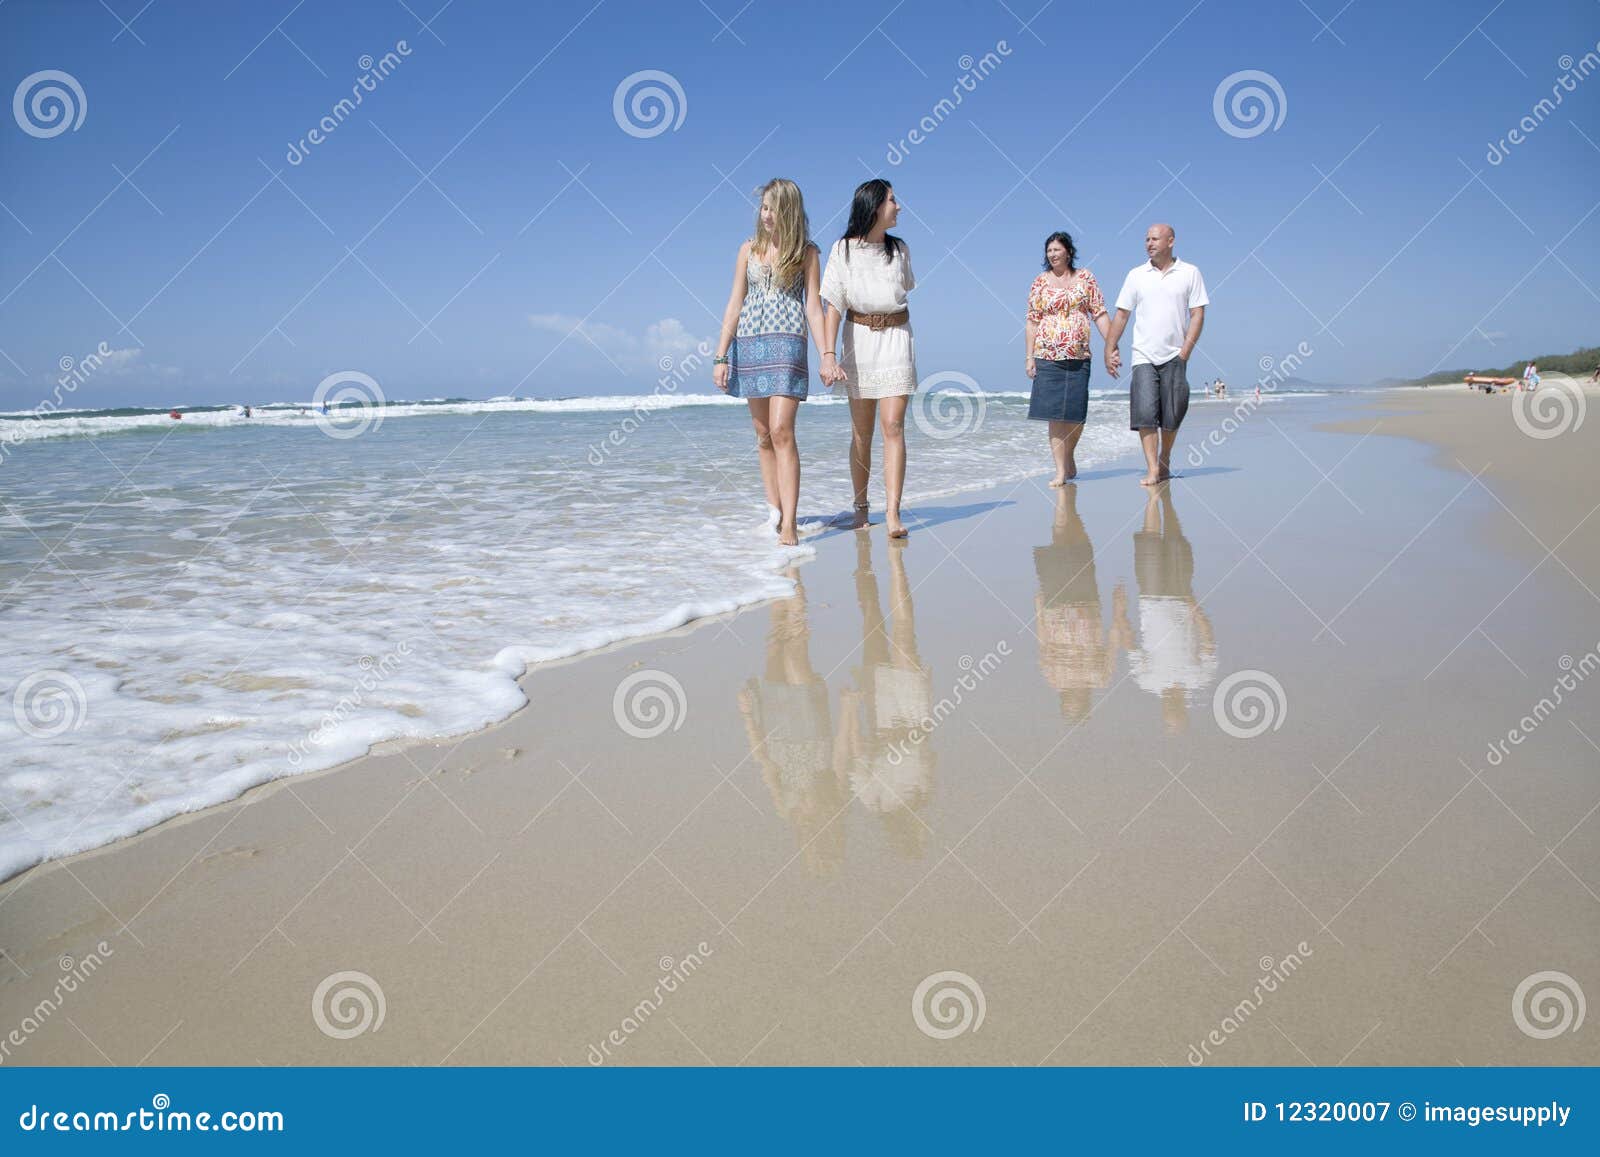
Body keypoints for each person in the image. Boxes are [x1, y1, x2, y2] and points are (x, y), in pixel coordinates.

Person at [713, 178, 829, 546]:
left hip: (788, 344)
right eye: (763, 207)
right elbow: (734, 302)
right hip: (749, 344)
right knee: (762, 435)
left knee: (782, 430)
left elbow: (814, 307)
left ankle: (791, 524)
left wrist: (827, 354)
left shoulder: (807, 253)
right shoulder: (747, 250)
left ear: (789, 212)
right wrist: (721, 354)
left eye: (773, 208)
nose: (766, 215)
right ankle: (775, 514)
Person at [820, 179, 917, 538]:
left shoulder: (901, 249)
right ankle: (861, 508)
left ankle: (893, 513)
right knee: (862, 433)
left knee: (893, 427)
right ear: (874, 206)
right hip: (858, 341)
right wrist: (829, 355)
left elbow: (902, 290)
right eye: (893, 200)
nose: (899, 206)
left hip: (896, 338)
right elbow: (833, 305)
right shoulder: (842, 250)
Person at [738, 570, 844, 875]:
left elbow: (765, 763)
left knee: (776, 642)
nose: (815, 844)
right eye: (822, 851)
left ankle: (779, 568)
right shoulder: (833, 807)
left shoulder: (788, 809)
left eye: (813, 853)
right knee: (795, 646)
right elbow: (840, 757)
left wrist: (748, 717)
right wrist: (849, 708)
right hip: (810, 728)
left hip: (777, 729)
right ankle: (792, 574)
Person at [835, 534, 933, 858]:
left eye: (918, 835)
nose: (923, 828)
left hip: (898, 718)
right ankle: (886, 567)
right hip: (901, 718)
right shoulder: (916, 794)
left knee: (883, 629)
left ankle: (873, 567)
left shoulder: (879, 798)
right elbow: (927, 750)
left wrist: (849, 708)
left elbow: (857, 752)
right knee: (891, 633)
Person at [1104, 223, 1209, 486]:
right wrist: (1110, 347)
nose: (1149, 243)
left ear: (1171, 241)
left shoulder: (1190, 272)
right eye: (1146, 239)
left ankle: (1165, 458)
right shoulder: (1136, 275)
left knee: (1172, 416)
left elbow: (1197, 314)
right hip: (1143, 356)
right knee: (1145, 414)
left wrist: (1185, 351)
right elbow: (1122, 314)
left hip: (1175, 354)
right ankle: (1152, 468)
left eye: (1154, 239)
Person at [1024, 231, 1116, 485]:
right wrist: (1029, 357)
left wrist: (1112, 346)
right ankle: (1061, 471)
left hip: (1079, 356)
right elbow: (1032, 321)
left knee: (1075, 415)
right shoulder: (1039, 282)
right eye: (1049, 250)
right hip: (1047, 355)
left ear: (1068, 251)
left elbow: (1099, 314)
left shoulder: (1085, 278)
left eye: (1057, 249)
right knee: (1054, 415)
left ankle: (1069, 454)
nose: (1053, 254)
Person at [1033, 485, 1132, 721]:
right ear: (1085, 704)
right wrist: (1119, 611)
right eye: (1074, 707)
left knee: (1058, 543)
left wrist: (1038, 609)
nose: (1072, 702)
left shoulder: (1053, 679)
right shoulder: (1100, 679)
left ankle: (1065, 500)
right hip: (1084, 602)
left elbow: (1044, 645)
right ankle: (1066, 501)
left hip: (1057, 608)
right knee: (1078, 547)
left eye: (1069, 707)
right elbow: (1113, 642)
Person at [1127, 486, 1217, 733]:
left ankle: (1155, 499)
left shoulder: (1147, 681)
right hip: (1180, 598)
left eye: (1172, 713)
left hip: (1150, 598)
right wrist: (1195, 608)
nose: (1173, 709)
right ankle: (1160, 500)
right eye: (1176, 713)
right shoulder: (1198, 679)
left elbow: (1131, 645)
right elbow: (1209, 642)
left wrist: (1121, 613)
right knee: (1176, 541)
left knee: (1151, 541)